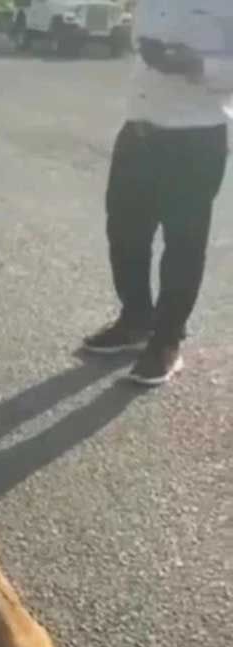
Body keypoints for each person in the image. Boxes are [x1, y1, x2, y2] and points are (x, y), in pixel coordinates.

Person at [80, 0, 232, 386]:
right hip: (138, 132)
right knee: (125, 233)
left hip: (195, 140)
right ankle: (135, 321)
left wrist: (196, 66)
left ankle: (166, 341)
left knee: (183, 244)